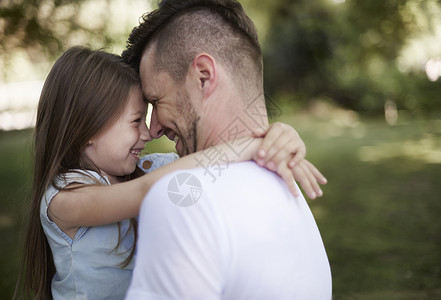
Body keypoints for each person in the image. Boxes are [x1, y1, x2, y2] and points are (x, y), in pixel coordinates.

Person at [16, 47, 325, 299]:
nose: (149, 133)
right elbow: (147, 191)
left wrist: (280, 135)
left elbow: (204, 165)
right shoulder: (63, 200)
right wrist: (245, 147)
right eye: (136, 121)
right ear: (88, 130)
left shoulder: (146, 169)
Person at [123, 0, 332, 299]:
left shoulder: (183, 200)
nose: (153, 128)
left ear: (204, 76)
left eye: (156, 102)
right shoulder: (287, 187)